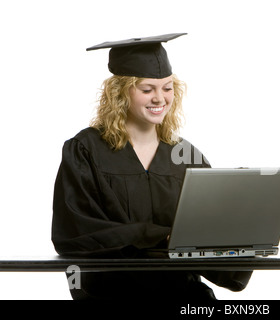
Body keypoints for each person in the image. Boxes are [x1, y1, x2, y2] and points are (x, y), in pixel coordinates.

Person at [51, 33, 252, 300]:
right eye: (147, 89)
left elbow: (207, 229)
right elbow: (76, 232)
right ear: (120, 93)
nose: (160, 98)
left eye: (167, 88)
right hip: (112, 295)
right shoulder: (86, 150)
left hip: (181, 293)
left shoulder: (185, 155)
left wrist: (245, 231)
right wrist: (160, 237)